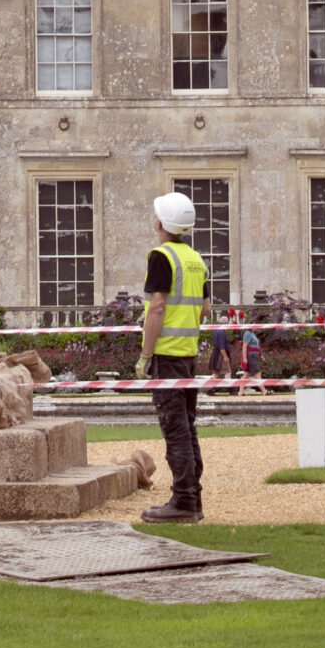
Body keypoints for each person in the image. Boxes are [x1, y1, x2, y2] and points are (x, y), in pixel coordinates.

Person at [137, 191, 209, 523]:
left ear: (161, 223)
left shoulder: (161, 256)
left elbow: (158, 307)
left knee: (175, 430)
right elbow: (205, 309)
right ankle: (193, 499)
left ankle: (182, 502)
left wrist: (145, 354)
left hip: (167, 355)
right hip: (189, 356)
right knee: (187, 428)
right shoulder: (196, 260)